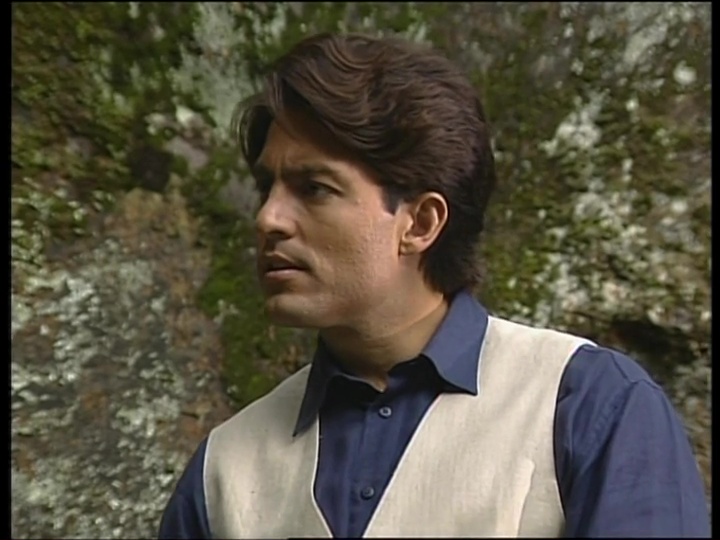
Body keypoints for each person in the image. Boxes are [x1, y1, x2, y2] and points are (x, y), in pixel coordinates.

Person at [158, 32, 710, 538]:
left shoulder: (588, 407)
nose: (268, 219)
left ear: (420, 223)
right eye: (267, 188)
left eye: (315, 188)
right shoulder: (222, 472)